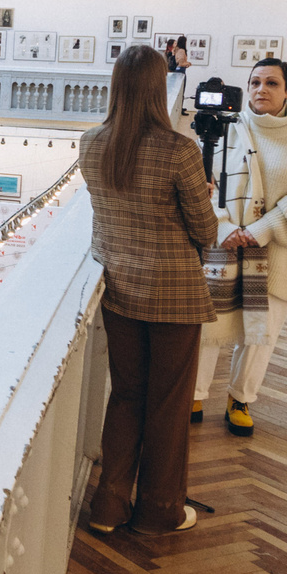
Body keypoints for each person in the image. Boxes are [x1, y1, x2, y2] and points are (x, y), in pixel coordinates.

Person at [82, 43, 218, 536]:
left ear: (116, 87)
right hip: (174, 296)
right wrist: (201, 198)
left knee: (126, 397)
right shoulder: (180, 150)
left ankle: (109, 506)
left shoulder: (92, 143)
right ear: (161, 90)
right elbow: (205, 232)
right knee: (168, 405)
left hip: (120, 290)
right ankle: (160, 509)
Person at [194, 56, 287, 437]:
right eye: (255, 82)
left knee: (260, 329)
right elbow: (202, 186)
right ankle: (196, 393)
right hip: (224, 243)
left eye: (271, 84)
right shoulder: (223, 129)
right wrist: (223, 229)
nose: (261, 90)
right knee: (210, 321)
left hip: (273, 249)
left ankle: (241, 398)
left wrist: (259, 231)